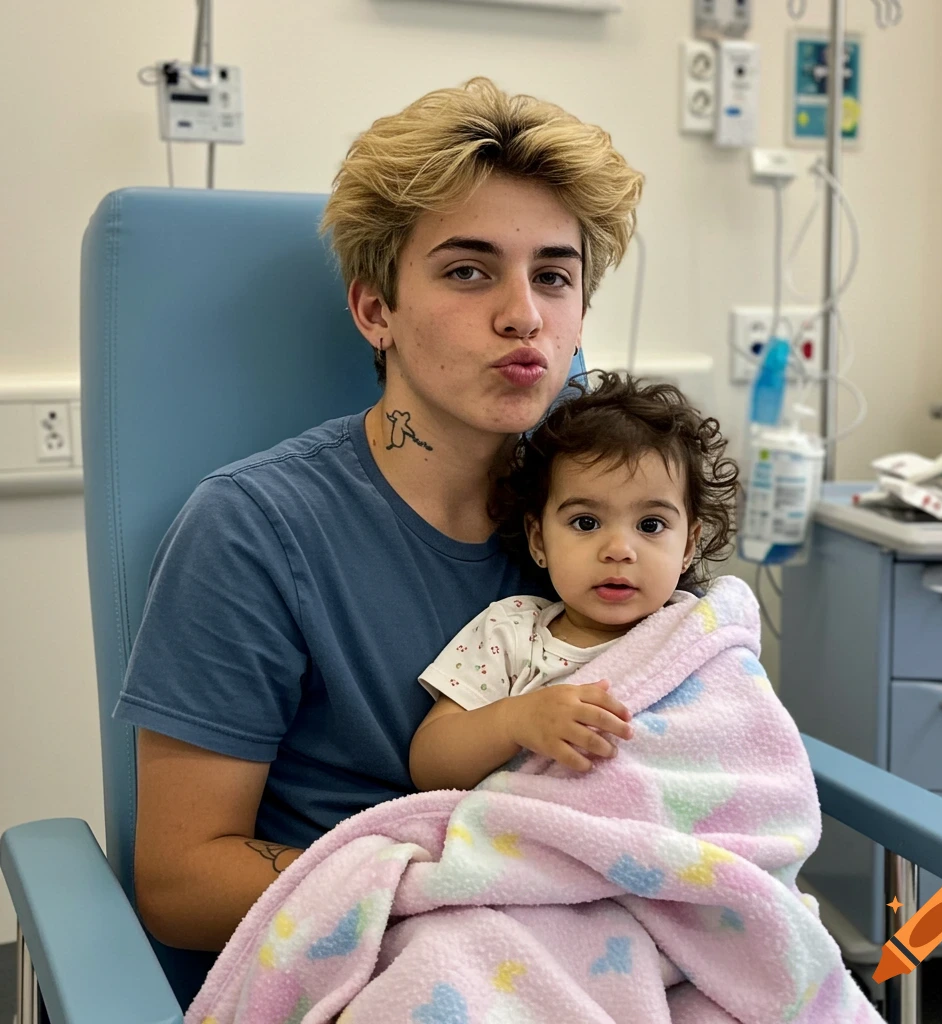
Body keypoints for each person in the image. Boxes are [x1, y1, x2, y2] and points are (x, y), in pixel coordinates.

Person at [113, 77, 644, 955]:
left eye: (554, 276)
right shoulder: (255, 531)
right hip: (375, 961)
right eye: (469, 271)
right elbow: (181, 881)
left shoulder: (611, 518)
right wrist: (451, 891)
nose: (524, 317)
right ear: (375, 310)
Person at [409, 372, 738, 791]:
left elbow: (741, 738)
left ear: (688, 545)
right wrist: (514, 720)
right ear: (538, 539)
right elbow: (428, 765)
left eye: (651, 524)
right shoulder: (512, 634)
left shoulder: (700, 633)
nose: (619, 549)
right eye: (586, 522)